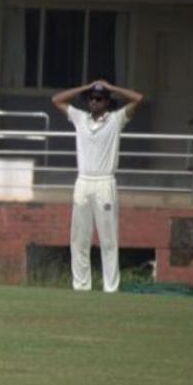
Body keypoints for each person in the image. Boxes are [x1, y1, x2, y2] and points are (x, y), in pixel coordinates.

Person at [51, 80, 144, 293]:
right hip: (83, 181)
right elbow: (56, 100)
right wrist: (85, 87)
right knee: (79, 239)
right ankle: (81, 286)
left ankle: (111, 288)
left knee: (108, 240)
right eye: (91, 98)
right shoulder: (80, 118)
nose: (94, 102)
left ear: (107, 102)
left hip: (104, 182)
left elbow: (139, 99)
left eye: (99, 98)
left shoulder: (116, 119)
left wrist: (111, 88)